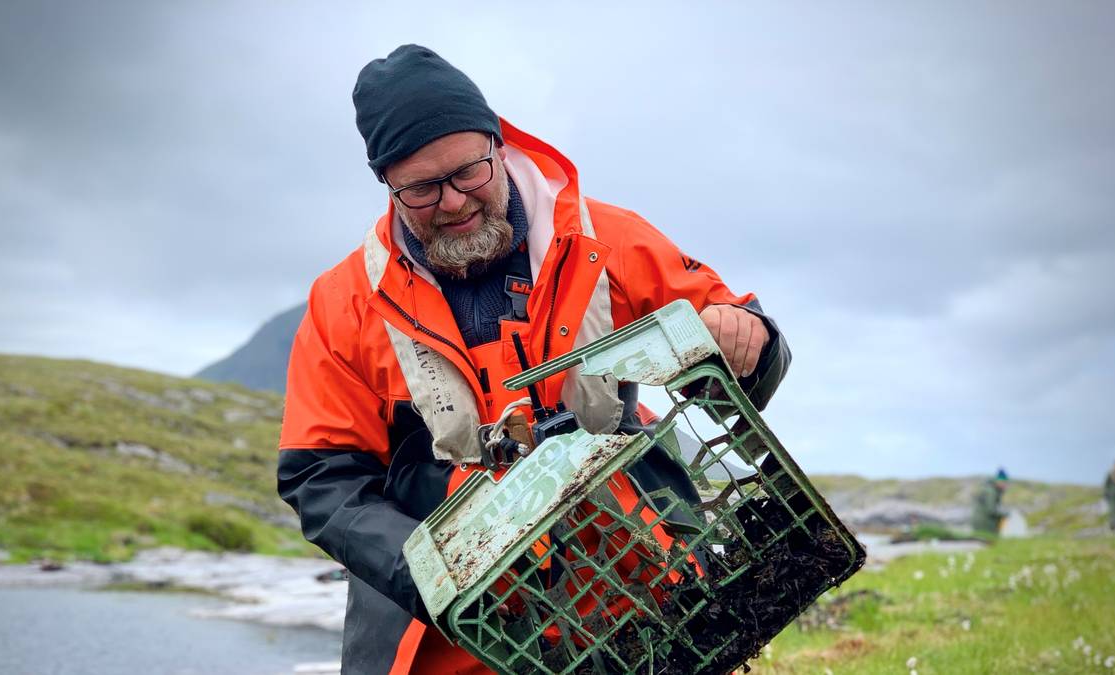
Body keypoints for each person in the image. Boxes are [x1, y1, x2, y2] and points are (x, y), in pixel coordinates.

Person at [276, 44, 792, 675]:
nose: (454, 201)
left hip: (636, 599)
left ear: (498, 144)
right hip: (444, 633)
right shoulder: (341, 303)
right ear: (387, 183)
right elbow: (320, 479)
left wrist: (748, 339)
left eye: (469, 171)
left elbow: (743, 355)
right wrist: (434, 577)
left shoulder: (610, 241)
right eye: (421, 188)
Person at [971, 468, 1008, 537]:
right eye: (1004, 482)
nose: (1005, 485)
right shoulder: (992, 491)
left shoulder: (991, 489)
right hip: (983, 522)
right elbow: (991, 510)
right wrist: (1004, 514)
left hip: (979, 520)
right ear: (998, 481)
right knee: (990, 541)